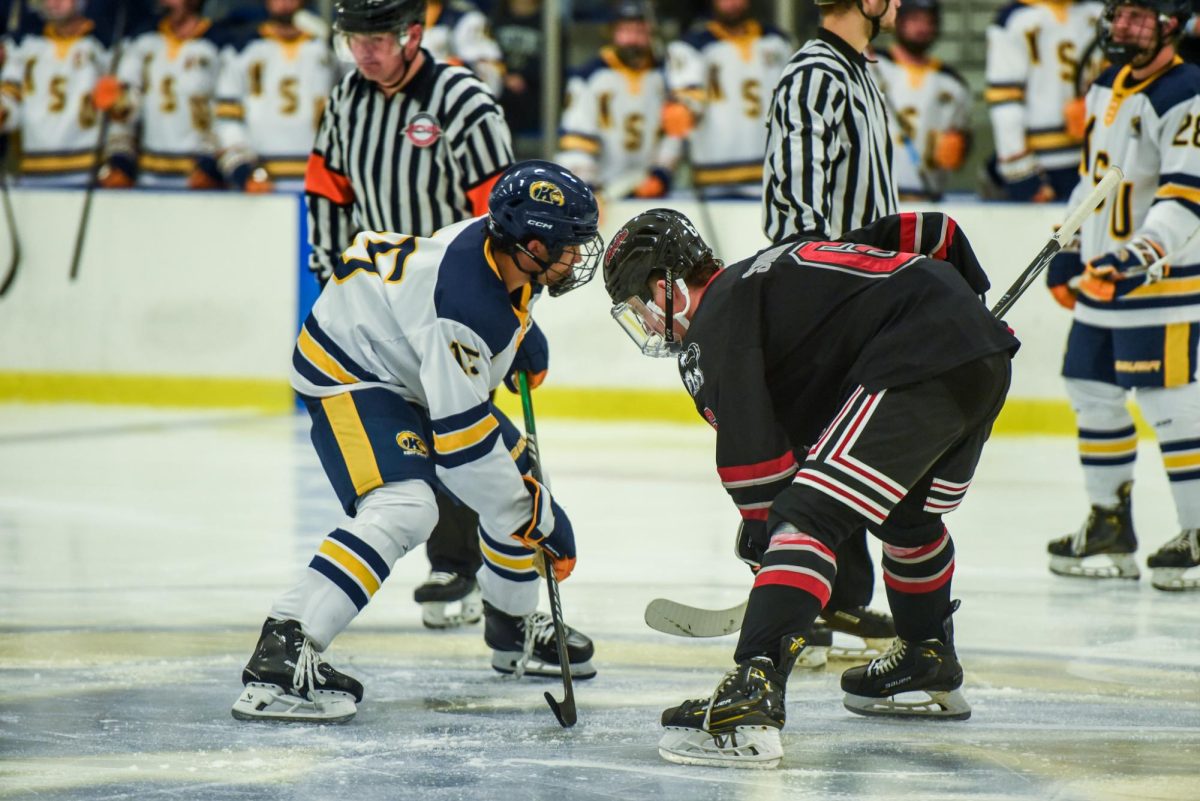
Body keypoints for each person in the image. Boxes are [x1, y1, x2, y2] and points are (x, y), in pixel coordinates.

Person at [602, 207, 1019, 767]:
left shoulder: (714, 325)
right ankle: (926, 656)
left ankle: (752, 692)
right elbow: (931, 230)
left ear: (665, 287)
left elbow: (758, 469)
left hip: (914, 359)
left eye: (641, 310)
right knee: (906, 518)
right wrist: (969, 304)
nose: (650, 326)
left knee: (803, 518)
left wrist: (767, 539)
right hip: (981, 357)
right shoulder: (777, 267)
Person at [233, 160, 604, 723]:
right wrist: (542, 519)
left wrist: (525, 324)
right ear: (530, 246)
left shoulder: (491, 246)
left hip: (407, 362)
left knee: (520, 467)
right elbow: (462, 455)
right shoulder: (466, 310)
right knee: (407, 505)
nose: (577, 259)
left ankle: (511, 627)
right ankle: (283, 654)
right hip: (352, 371)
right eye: (568, 246)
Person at [307, 0, 517, 629]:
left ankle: (475, 568)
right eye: (354, 39)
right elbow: (327, 190)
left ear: (413, 34)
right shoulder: (347, 98)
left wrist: (502, 300)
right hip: (377, 304)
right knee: (415, 430)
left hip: (454, 303)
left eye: (377, 39)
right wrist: (329, 278)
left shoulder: (461, 99)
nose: (364, 52)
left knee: (462, 430)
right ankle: (455, 565)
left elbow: (501, 210)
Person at [760, 0, 905, 659]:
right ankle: (805, 605)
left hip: (864, 304)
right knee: (816, 458)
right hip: (828, 307)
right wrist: (822, 310)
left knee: (846, 458)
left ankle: (842, 600)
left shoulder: (858, 73)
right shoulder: (815, 74)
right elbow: (795, 211)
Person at [1044, 0, 1200, 592]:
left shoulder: (1187, 91)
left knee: (1173, 403)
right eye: (1119, 14)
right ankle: (1110, 523)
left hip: (1163, 282)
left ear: (1172, 24)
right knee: (1089, 387)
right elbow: (1093, 179)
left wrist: (1134, 257)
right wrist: (1068, 247)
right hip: (1103, 280)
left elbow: (1185, 197)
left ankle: (1197, 531)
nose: (1123, 28)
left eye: (1139, 17)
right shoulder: (1107, 83)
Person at [662, 0, 791, 198]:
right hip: (712, 178)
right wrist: (683, 109)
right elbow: (688, 101)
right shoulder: (690, 46)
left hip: (770, 177)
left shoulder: (777, 42)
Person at [95, 0, 225, 188]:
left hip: (200, 175)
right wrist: (117, 100)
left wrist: (209, 164)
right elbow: (128, 113)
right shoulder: (142, 43)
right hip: (149, 174)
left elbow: (225, 115)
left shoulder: (219, 44)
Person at [556, 0, 677, 200]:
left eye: (640, 31)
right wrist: (587, 189)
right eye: (626, 30)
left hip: (649, 188)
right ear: (612, 32)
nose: (633, 39)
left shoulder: (665, 77)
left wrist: (662, 173)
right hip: (603, 191)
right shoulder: (588, 77)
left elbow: (673, 132)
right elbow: (576, 140)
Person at [985, 0, 1104, 202]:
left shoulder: (1099, 11)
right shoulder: (1014, 19)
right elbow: (1005, 103)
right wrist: (1021, 173)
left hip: (1097, 158)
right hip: (1043, 166)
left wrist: (1096, 110)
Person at [214, 0, 335, 192]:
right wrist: (244, 170)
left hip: (321, 180)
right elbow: (226, 120)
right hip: (260, 182)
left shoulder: (328, 48)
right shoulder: (241, 49)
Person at [869, 0, 972, 201]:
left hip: (927, 197)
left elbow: (960, 140)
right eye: (915, 20)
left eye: (929, 21)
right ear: (899, 20)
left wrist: (962, 146)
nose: (922, 28)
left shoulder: (953, 83)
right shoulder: (871, 65)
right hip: (873, 196)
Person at [0, 0, 110, 186]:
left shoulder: (102, 46)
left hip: (87, 173)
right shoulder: (25, 47)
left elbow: (120, 111)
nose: (55, 2)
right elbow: (11, 101)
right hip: (33, 172)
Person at [422, 0, 504, 95]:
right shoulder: (404, 15)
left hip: (447, 97)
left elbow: (490, 73)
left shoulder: (468, 18)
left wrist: (455, 68)